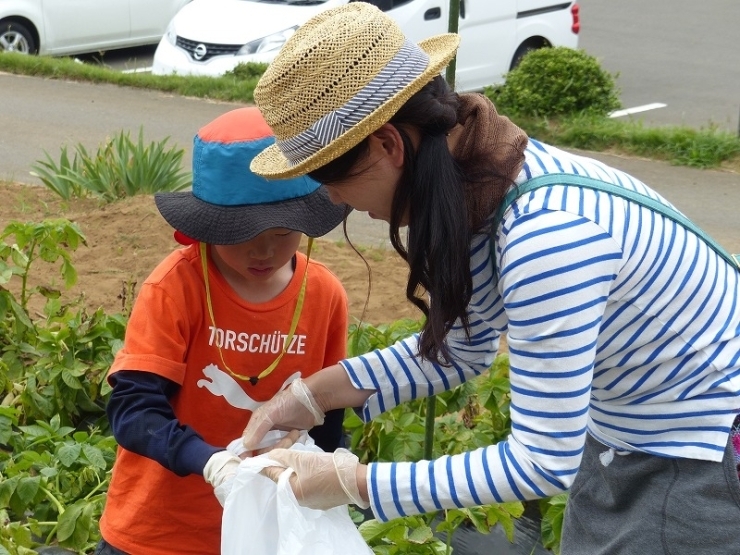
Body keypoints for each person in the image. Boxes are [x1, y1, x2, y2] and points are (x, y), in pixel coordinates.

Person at [240, 4, 740, 554]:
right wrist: (313, 394)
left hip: (697, 455)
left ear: (387, 147)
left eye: (329, 177)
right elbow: (466, 345)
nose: (333, 199)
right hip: (628, 433)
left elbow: (541, 461)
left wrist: (351, 483)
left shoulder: (547, 237)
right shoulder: (488, 182)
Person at [96, 107, 350, 555]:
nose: (264, 250)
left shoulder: (324, 295)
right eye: (243, 232)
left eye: (283, 231)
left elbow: (327, 412)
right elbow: (134, 411)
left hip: (265, 531)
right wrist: (211, 462)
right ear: (210, 225)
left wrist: (330, 474)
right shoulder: (176, 287)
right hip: (157, 533)